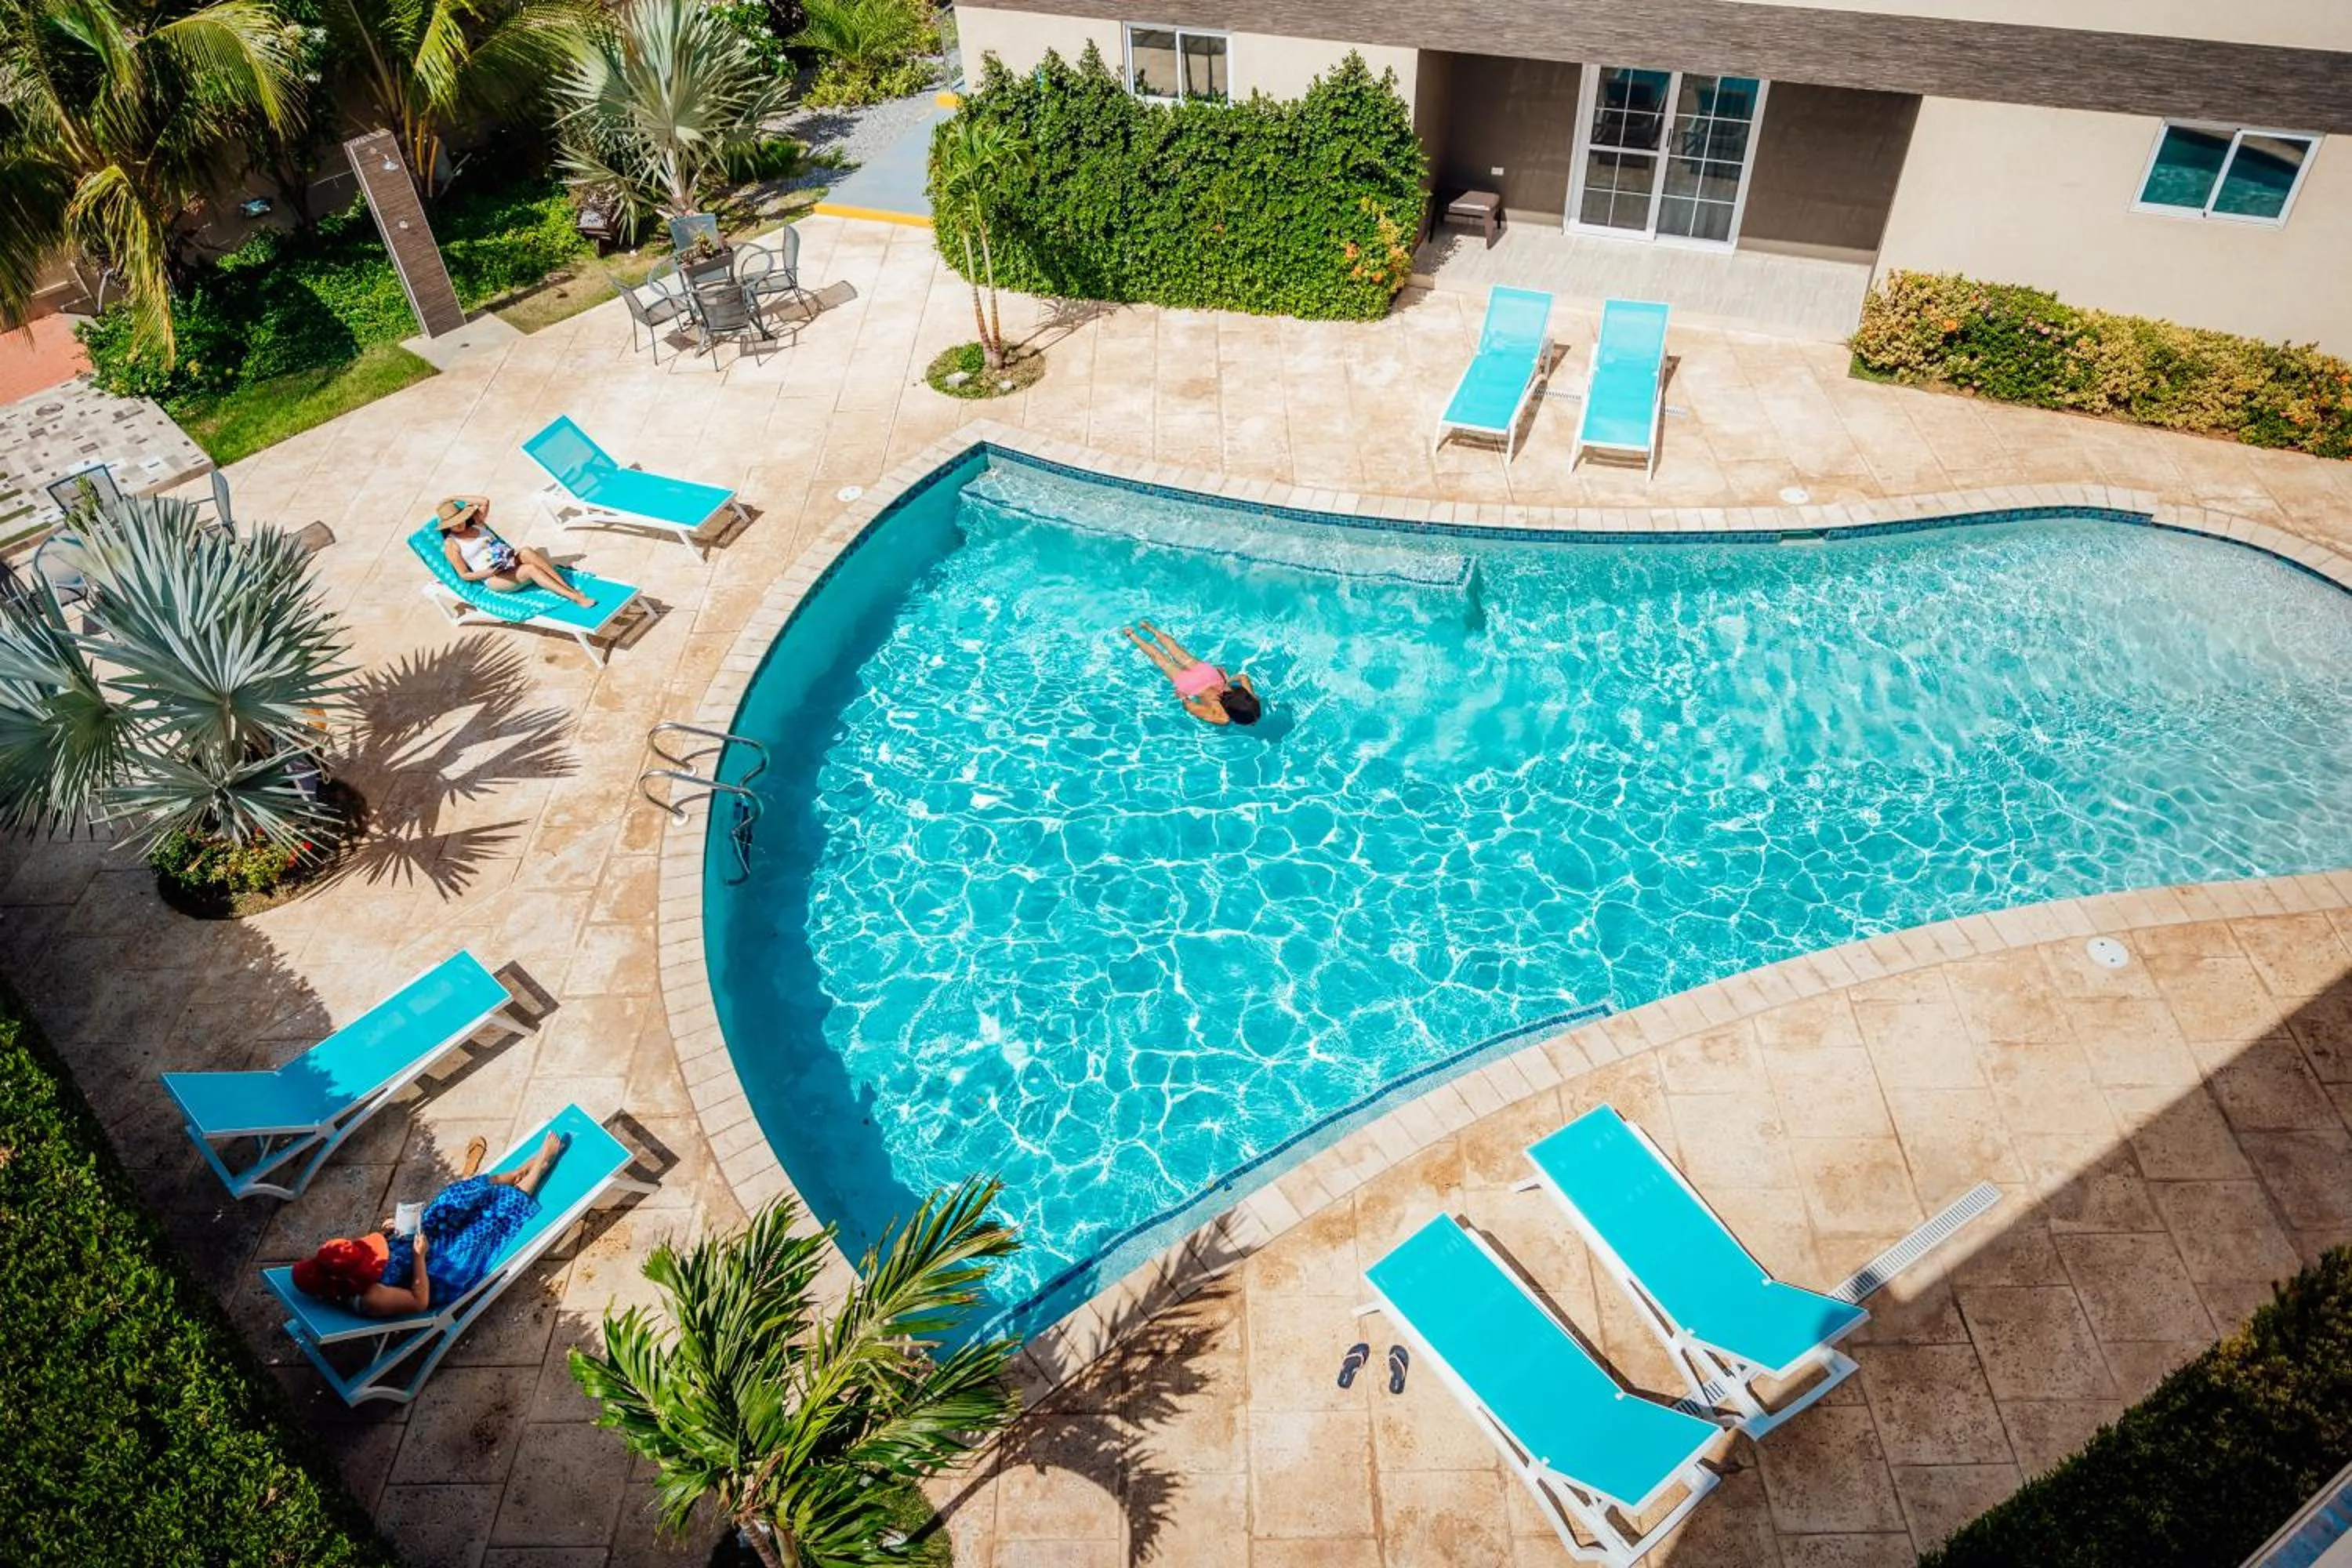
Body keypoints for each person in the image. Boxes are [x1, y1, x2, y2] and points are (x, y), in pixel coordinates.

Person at [289, 1129, 570, 1317]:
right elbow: (418, 1301)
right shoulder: (371, 1298)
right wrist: (419, 1257)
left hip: (414, 1247)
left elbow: (365, 1257)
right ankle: (537, 1170)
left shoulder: (333, 1273)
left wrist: (389, 1234)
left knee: (452, 1199)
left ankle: (516, 1172)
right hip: (435, 1272)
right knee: (482, 1228)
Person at [436, 496, 595, 609]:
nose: (459, 525)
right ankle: (575, 597)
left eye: (460, 519)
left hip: (507, 562)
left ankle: (567, 587)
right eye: (453, 524)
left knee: (526, 551)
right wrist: (488, 572)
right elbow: (464, 575)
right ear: (447, 526)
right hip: (494, 577)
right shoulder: (452, 544)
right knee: (530, 569)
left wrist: (451, 499)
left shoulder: (477, 523)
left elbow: (484, 501)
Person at [1122, 619, 1261, 726]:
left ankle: (1149, 628)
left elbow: (1243, 677)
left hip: (1210, 676)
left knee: (1175, 649)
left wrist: (1227, 680)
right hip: (1192, 686)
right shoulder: (1223, 717)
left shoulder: (1251, 698)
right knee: (1161, 660)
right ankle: (1131, 635)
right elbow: (1191, 708)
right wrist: (1184, 698)